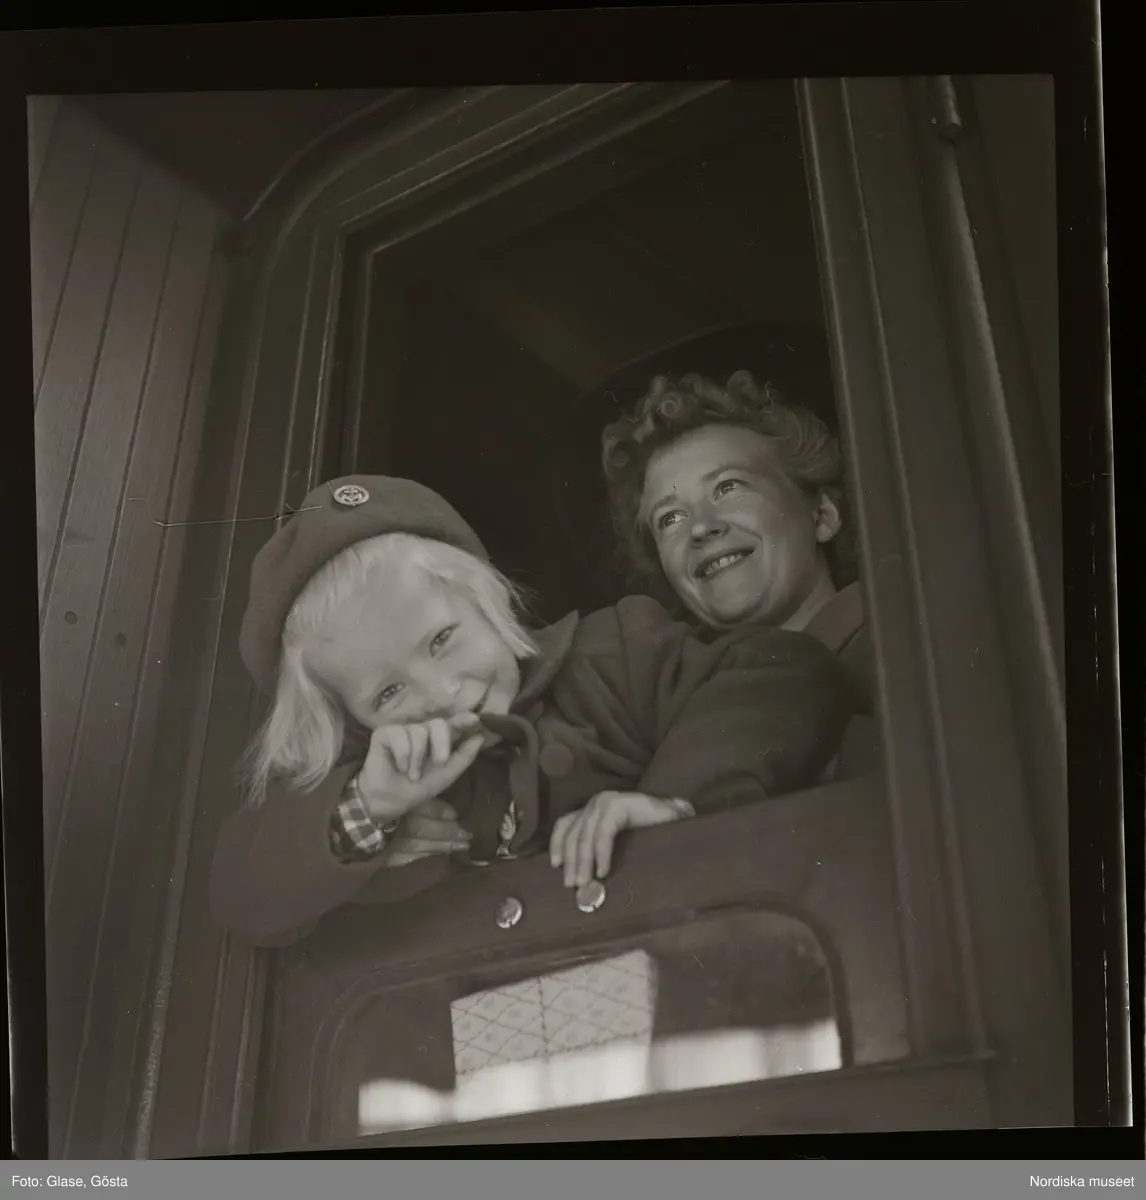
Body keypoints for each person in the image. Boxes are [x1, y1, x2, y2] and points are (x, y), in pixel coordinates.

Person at [209, 474, 856, 946]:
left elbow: (783, 671)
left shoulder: (614, 654)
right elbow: (243, 892)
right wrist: (369, 808)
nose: (440, 692)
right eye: (387, 694)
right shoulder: (382, 787)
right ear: (353, 722)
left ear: (487, 600)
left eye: (441, 640)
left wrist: (672, 802)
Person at [600, 368, 873, 729]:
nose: (700, 527)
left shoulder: (899, 645)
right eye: (670, 518)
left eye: (728, 487)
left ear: (823, 514)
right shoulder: (684, 715)